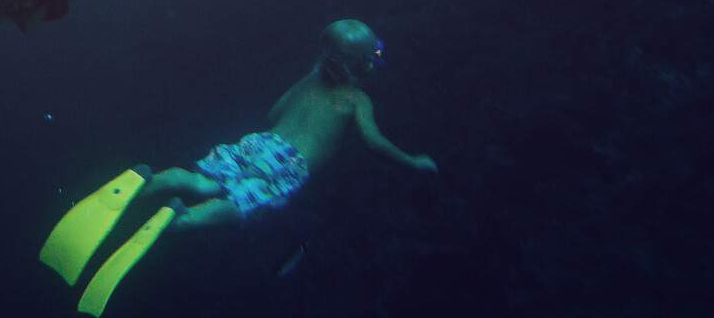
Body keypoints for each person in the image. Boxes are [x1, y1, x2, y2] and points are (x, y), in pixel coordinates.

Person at [39, 19, 435, 316]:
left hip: (258, 144)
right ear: (361, 65)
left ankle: (157, 181)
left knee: (199, 179)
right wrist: (412, 161)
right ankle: (179, 219)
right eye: (375, 55)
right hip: (288, 166)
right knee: (242, 204)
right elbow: (375, 141)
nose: (378, 59)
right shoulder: (356, 100)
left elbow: (272, 112)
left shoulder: (309, 79)